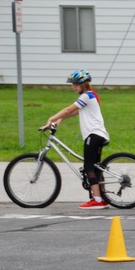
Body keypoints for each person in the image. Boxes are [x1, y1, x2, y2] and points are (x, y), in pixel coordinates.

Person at [43, 70, 110, 209]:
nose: (73, 87)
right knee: (95, 166)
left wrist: (51, 119)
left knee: (88, 167)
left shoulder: (86, 96)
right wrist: (59, 121)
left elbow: (68, 109)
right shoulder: (90, 96)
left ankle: (97, 200)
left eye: (74, 84)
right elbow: (74, 112)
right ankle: (102, 197)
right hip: (98, 135)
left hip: (93, 135)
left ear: (82, 84)